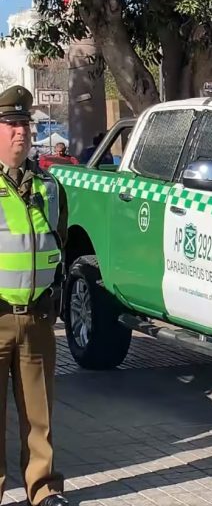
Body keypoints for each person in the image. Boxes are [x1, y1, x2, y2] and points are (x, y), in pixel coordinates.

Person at [0, 86, 69, 505]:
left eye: (25, 125)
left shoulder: (49, 185)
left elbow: (58, 242)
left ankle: (42, 489)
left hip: (38, 317)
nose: (21, 133)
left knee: (39, 413)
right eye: (11, 125)